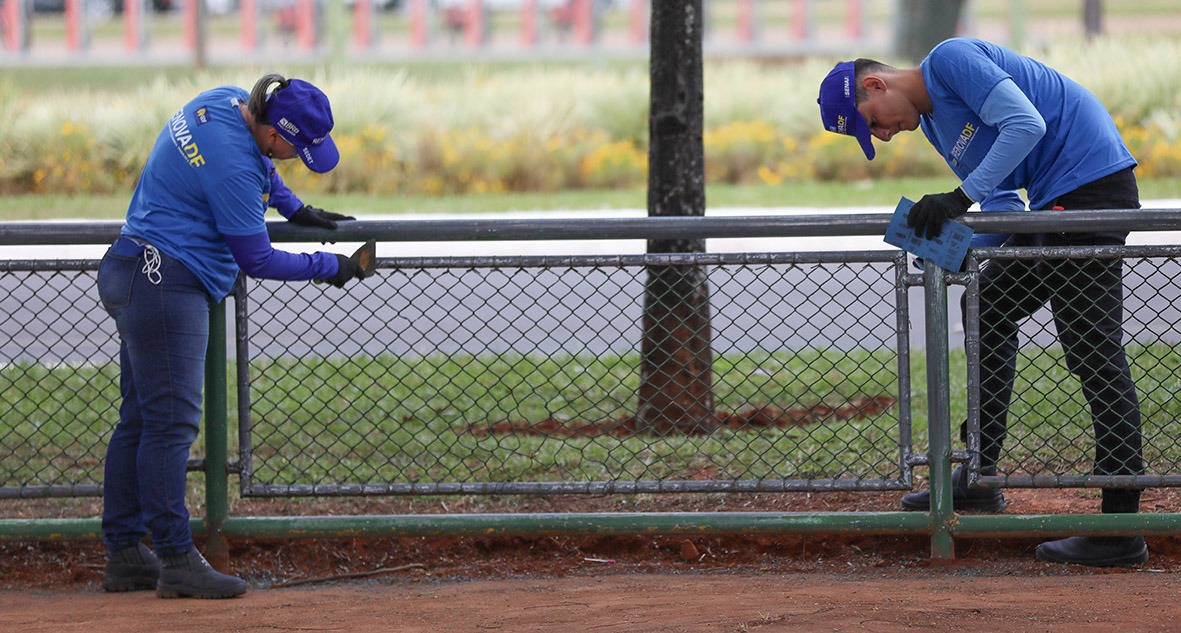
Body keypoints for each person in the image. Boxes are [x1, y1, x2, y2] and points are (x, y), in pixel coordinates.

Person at [817, 38, 1146, 567]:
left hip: (1089, 193)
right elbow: (1000, 204)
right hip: (1054, 206)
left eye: (872, 122)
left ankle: (1121, 528)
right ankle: (977, 475)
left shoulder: (950, 60)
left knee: (1094, 355)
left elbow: (1026, 124)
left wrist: (957, 199)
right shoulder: (934, 124)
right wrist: (945, 246)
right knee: (986, 306)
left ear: (875, 84)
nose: (883, 135)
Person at [97, 73, 371, 598]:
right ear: (273, 133)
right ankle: (176, 559)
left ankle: (125, 554)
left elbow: (262, 170)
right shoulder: (234, 167)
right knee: (170, 427)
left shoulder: (225, 100)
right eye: (298, 149)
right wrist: (330, 265)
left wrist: (293, 207)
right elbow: (257, 258)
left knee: (141, 422)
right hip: (165, 284)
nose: (298, 158)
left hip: (134, 269)